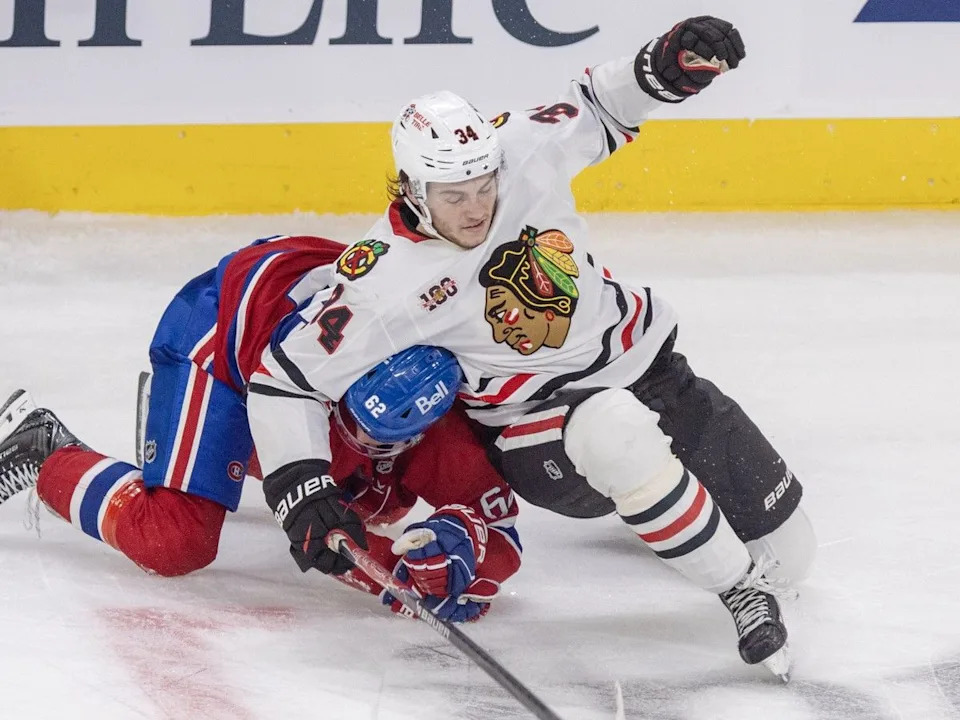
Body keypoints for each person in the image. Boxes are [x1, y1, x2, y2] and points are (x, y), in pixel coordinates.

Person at [237, 16, 816, 679]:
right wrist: (297, 486)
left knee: (793, 558)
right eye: (455, 196)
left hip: (643, 367)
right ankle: (738, 588)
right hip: (533, 431)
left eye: (484, 186)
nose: (478, 206)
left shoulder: (518, 147)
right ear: (412, 189)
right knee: (614, 433)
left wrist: (663, 65)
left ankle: (657, 502)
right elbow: (286, 379)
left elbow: (599, 102)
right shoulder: (380, 280)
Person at [0, 235, 521, 621]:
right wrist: (391, 577)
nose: (373, 444)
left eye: (392, 438)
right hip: (229, 339)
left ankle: (189, 451)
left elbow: (503, 538)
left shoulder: (442, 410)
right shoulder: (301, 374)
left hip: (307, 313)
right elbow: (318, 530)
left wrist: (462, 545)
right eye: (358, 425)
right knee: (175, 540)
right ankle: (44, 447)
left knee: (382, 505)